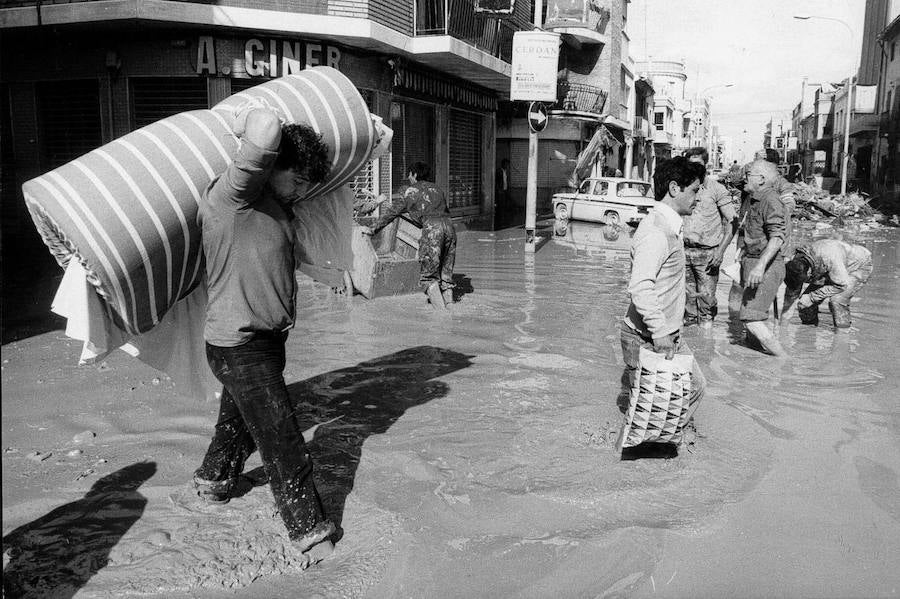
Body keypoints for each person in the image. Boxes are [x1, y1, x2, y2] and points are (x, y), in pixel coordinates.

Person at [194, 102, 335, 567]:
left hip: (266, 342)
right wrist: (239, 124)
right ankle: (311, 533)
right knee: (282, 439)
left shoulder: (276, 209)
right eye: (297, 179)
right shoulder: (232, 197)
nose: (301, 191)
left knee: (236, 425)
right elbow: (265, 125)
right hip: (239, 344)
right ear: (271, 165)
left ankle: (214, 481)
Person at [620, 156, 707, 432]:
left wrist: (682, 294)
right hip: (648, 337)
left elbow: (660, 278)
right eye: (694, 190)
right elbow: (640, 286)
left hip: (663, 333)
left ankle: (664, 441)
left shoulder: (669, 226)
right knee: (650, 413)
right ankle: (642, 448)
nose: (698, 198)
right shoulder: (657, 232)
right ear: (673, 188)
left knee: (686, 392)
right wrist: (659, 332)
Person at [361, 162, 457, 310]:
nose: (408, 177)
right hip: (450, 227)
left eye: (410, 174)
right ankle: (451, 307)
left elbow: (391, 213)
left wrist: (373, 229)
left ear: (415, 175)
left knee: (428, 277)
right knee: (446, 275)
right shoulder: (437, 189)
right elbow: (439, 210)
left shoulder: (410, 191)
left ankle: (442, 316)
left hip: (433, 230)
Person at [681, 147, 738, 327]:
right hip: (683, 251)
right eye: (690, 164)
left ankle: (707, 337)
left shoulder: (716, 189)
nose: (694, 168)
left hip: (708, 254)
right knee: (686, 301)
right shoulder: (682, 187)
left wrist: (721, 251)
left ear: (706, 165)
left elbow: (733, 221)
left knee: (706, 302)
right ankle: (691, 337)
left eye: (698, 164)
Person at [737, 160, 788, 356]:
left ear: (761, 179)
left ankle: (784, 360)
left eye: (748, 175)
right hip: (754, 261)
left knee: (751, 319)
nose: (744, 179)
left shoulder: (770, 200)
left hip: (766, 265)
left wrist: (759, 267)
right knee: (752, 330)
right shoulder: (754, 199)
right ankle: (757, 365)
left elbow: (777, 237)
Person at [783, 238, 873, 328]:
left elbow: (842, 285)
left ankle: (842, 332)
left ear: (808, 272)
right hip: (829, 271)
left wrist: (812, 297)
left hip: (857, 267)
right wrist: (783, 323)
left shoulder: (829, 257)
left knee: (837, 300)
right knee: (804, 304)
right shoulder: (795, 264)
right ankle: (809, 330)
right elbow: (791, 295)